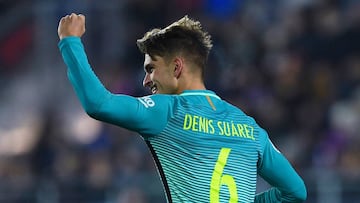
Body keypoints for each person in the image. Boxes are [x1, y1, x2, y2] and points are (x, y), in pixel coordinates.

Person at [57, 13, 307, 203]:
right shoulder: (250, 127)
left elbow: (99, 104)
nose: (146, 81)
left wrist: (70, 42)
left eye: (150, 68)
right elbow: (296, 191)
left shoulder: (168, 111)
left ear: (176, 68)